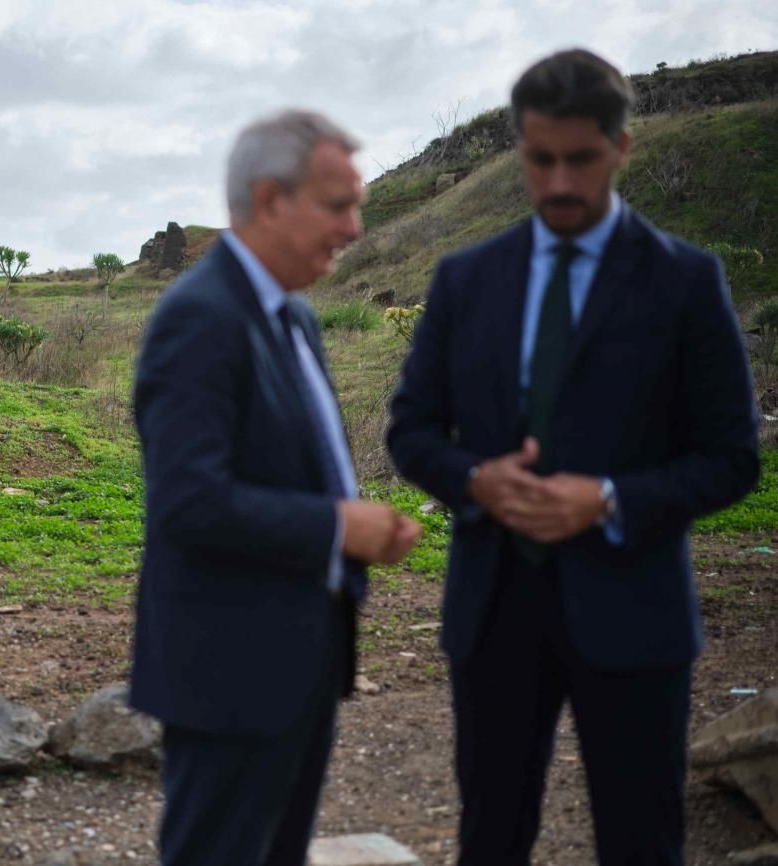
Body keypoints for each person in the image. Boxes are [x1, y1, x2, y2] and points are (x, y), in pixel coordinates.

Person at [387, 48, 760, 866]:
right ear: (519, 150)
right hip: (493, 614)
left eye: (581, 160)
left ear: (621, 149)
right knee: (492, 836)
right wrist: (473, 478)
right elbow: (411, 430)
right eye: (540, 159)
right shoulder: (464, 280)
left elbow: (733, 458)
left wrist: (611, 499)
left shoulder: (687, 282)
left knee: (641, 841)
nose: (559, 182)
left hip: (635, 614)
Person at [131, 109, 422, 866]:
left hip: (298, 660)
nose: (355, 227)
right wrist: (338, 529)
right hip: (229, 672)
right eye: (337, 205)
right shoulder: (198, 318)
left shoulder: (292, 315)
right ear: (268, 201)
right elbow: (189, 502)